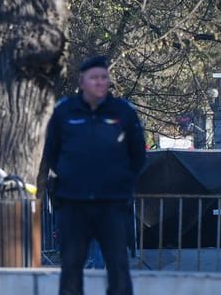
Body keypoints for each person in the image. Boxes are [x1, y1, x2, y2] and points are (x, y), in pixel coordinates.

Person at [42, 55, 146, 295]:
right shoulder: (65, 111)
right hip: (73, 203)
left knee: (118, 267)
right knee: (71, 267)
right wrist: (69, 177)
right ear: (82, 81)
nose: (100, 82)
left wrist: (123, 182)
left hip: (112, 203)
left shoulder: (123, 112)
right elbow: (52, 152)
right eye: (94, 78)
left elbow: (137, 154)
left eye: (104, 77)